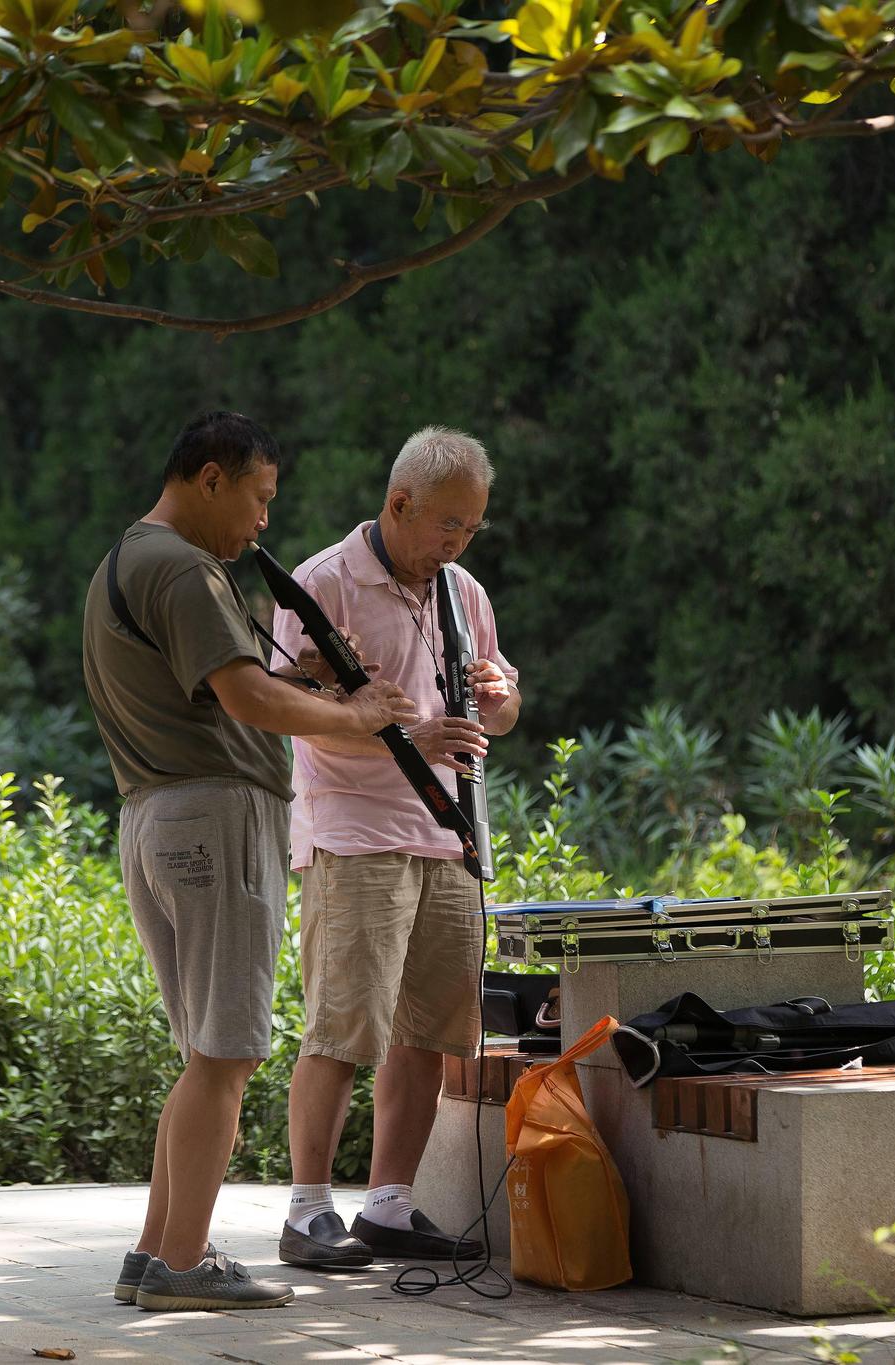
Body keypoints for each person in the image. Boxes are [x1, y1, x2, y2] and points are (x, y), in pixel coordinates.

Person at [81, 411, 418, 1311]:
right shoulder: (184, 568)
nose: (264, 521)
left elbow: (233, 689)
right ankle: (185, 1266)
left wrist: (308, 686)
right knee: (227, 1055)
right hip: (213, 816)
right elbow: (242, 695)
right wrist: (355, 715)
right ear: (210, 478)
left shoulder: (123, 561)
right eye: (260, 498)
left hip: (155, 816)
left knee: (204, 1054)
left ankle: (155, 1251)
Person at [270, 425, 522, 1269]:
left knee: (430, 1032)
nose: (455, 544)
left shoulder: (463, 592)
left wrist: (501, 697)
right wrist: (406, 730)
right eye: (447, 525)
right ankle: (308, 1210)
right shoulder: (323, 583)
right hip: (354, 834)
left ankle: (388, 1203)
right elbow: (288, 707)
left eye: (471, 529)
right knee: (343, 1026)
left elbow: (501, 712)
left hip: (449, 837)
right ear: (399, 503)